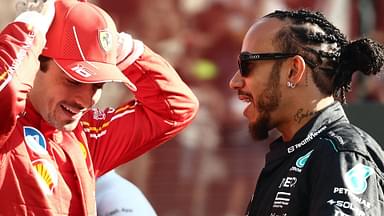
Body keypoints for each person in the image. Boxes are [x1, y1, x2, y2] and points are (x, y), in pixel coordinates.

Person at [0, 0, 198, 215]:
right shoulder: (6, 129)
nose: (86, 100)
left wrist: (115, 47)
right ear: (35, 64)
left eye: (98, 85)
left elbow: (176, 108)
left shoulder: (87, 135)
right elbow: (7, 92)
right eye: (74, 81)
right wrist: (29, 29)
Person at [229, 9, 384, 216]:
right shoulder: (298, 151)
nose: (234, 82)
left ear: (293, 71)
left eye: (247, 65)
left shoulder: (340, 154)